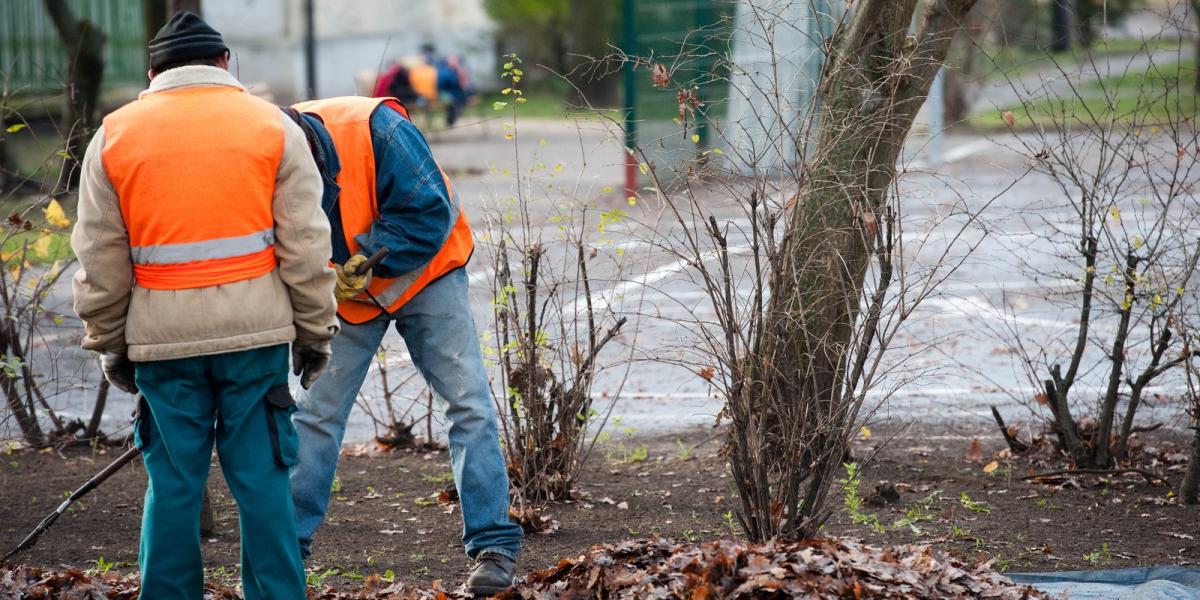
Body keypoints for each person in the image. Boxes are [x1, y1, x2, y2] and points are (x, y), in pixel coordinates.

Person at [70, 11, 338, 599]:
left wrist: (111, 343)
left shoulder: (114, 134)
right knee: (264, 483)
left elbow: (100, 257)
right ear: (224, 64)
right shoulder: (271, 126)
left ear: (152, 72)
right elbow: (305, 243)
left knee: (172, 486)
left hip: (162, 348)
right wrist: (315, 332)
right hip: (256, 342)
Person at [284, 95, 523, 595]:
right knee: (313, 415)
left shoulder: (379, 130)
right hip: (346, 296)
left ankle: (494, 548)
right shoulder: (270, 157)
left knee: (467, 405)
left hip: (427, 275)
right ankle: (284, 549)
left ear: (313, 150)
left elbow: (427, 213)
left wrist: (366, 258)